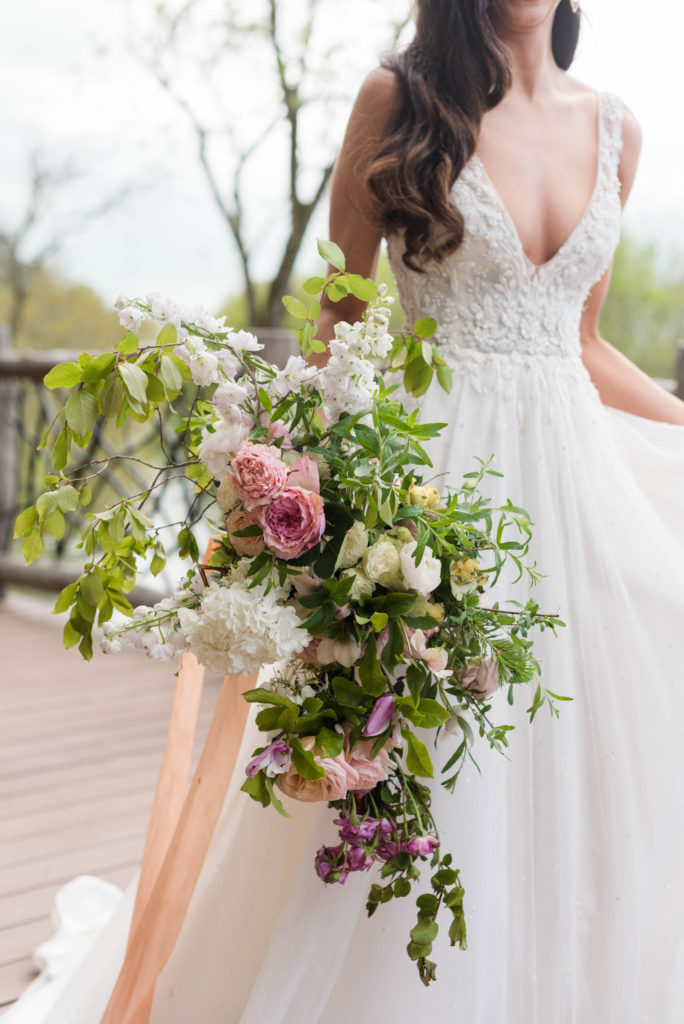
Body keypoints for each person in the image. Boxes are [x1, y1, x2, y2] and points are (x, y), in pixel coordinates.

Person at [7, 1, 684, 1021]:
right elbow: (337, 328)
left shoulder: (617, 127)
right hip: (425, 497)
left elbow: (581, 345)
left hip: (573, 505)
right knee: (421, 785)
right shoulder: (400, 102)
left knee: (592, 790)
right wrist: (299, 499)